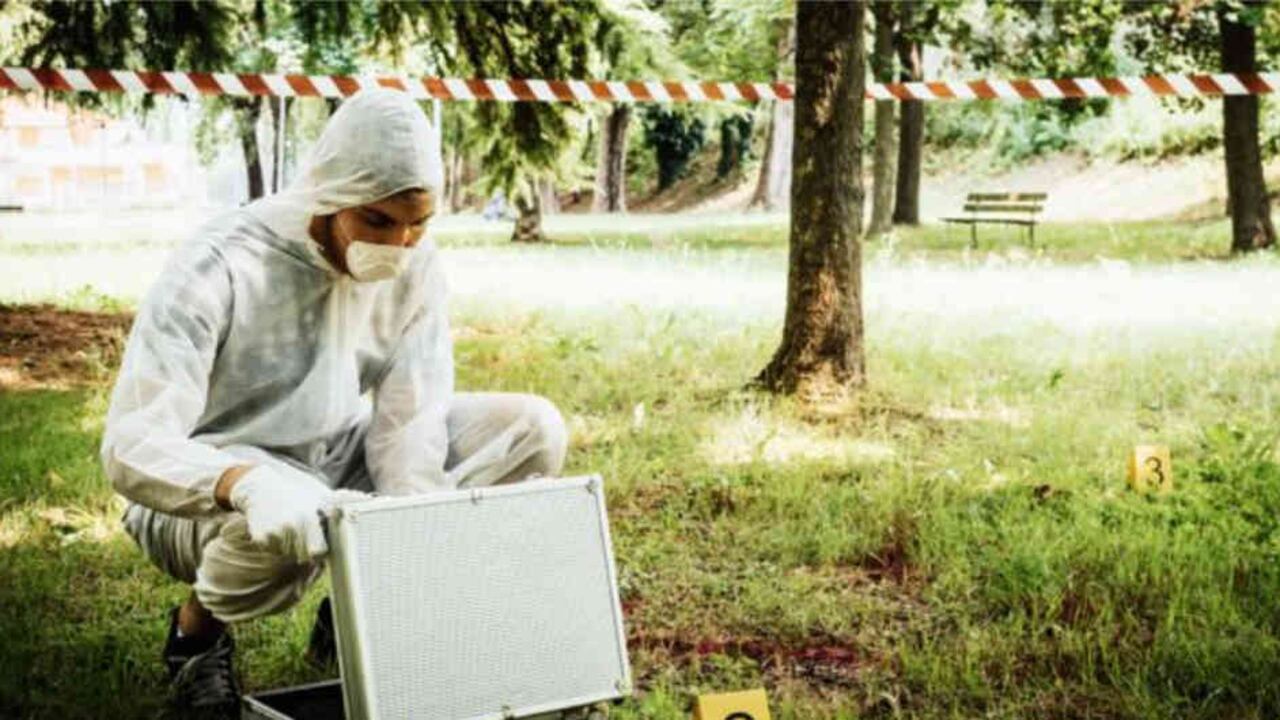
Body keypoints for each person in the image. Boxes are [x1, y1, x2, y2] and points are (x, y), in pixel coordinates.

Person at [100, 89, 568, 715]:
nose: (400, 243)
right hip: (200, 493)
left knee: (532, 431)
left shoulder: (414, 263)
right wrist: (243, 483)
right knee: (291, 511)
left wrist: (401, 541)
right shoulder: (221, 263)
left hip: (329, 458)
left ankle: (362, 606)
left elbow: (412, 416)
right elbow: (132, 445)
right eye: (377, 221)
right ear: (329, 194)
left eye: (418, 223)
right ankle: (195, 640)